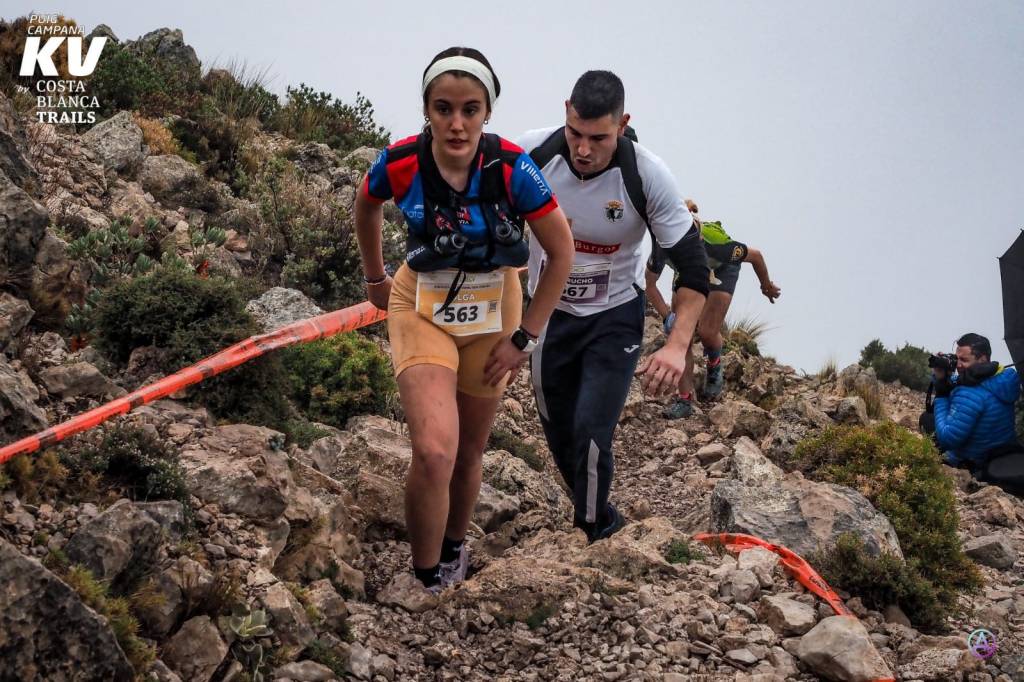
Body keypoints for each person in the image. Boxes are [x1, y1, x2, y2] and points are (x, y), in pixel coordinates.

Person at [354, 47, 574, 592]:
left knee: (469, 451)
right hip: (421, 304)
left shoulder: (512, 167)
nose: (456, 123)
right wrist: (375, 277)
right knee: (435, 451)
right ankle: (424, 577)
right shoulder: (401, 161)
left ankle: (454, 547)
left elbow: (561, 252)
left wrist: (525, 338)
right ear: (426, 109)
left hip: (496, 311)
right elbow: (366, 203)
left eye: (470, 110)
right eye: (443, 108)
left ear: (487, 112)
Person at [518, 71, 709, 543]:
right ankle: (601, 514)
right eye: (575, 134)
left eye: (599, 138)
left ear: (622, 125)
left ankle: (591, 532)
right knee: (560, 431)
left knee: (591, 428)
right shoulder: (531, 154)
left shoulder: (647, 175)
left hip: (614, 316)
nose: (583, 149)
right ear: (566, 112)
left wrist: (676, 346)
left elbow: (694, 268)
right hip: (548, 315)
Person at [646, 200, 781, 418]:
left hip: (722, 269)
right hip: (688, 270)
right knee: (680, 333)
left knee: (708, 331)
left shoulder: (718, 246)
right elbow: (650, 286)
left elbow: (755, 256)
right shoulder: (663, 246)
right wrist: (667, 317)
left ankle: (714, 363)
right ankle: (684, 399)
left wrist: (766, 286)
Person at [931, 333, 1021, 470]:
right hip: (999, 455)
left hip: (973, 462)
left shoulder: (970, 393)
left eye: (964, 360)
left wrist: (941, 394)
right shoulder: (1002, 380)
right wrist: (942, 377)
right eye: (956, 358)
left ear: (982, 359)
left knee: (927, 420)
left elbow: (947, 439)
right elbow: (958, 382)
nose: (958, 365)